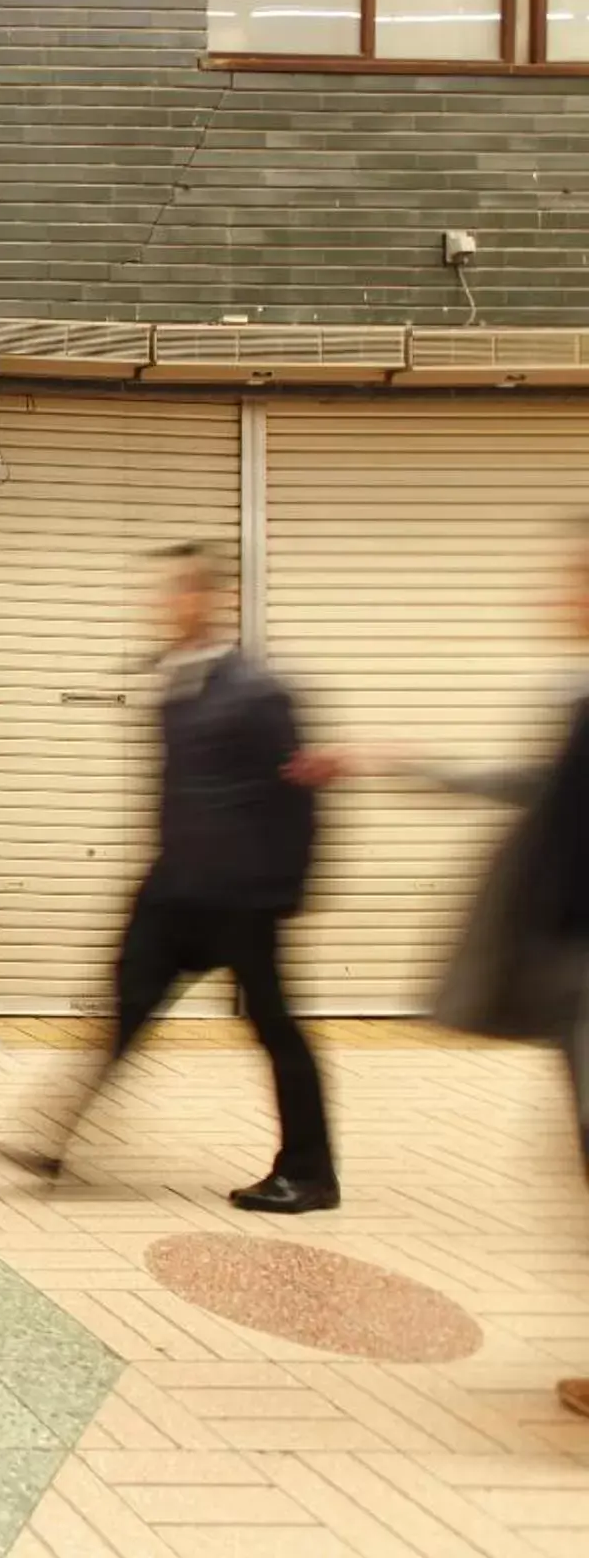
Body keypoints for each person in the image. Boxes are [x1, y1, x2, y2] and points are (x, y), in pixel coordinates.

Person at [0, 542, 340, 1214]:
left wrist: (288, 890)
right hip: (176, 888)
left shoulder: (258, 692)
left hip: (241, 895)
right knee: (125, 1008)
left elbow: (301, 794)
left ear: (210, 600)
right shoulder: (172, 684)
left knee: (274, 1028)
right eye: (161, 593)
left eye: (178, 592)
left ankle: (310, 1172)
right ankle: (53, 1136)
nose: (164, 605)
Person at [329, 523, 589, 1417]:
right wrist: (411, 768)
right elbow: (533, 786)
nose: (567, 590)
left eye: (581, 574)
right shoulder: (579, 693)